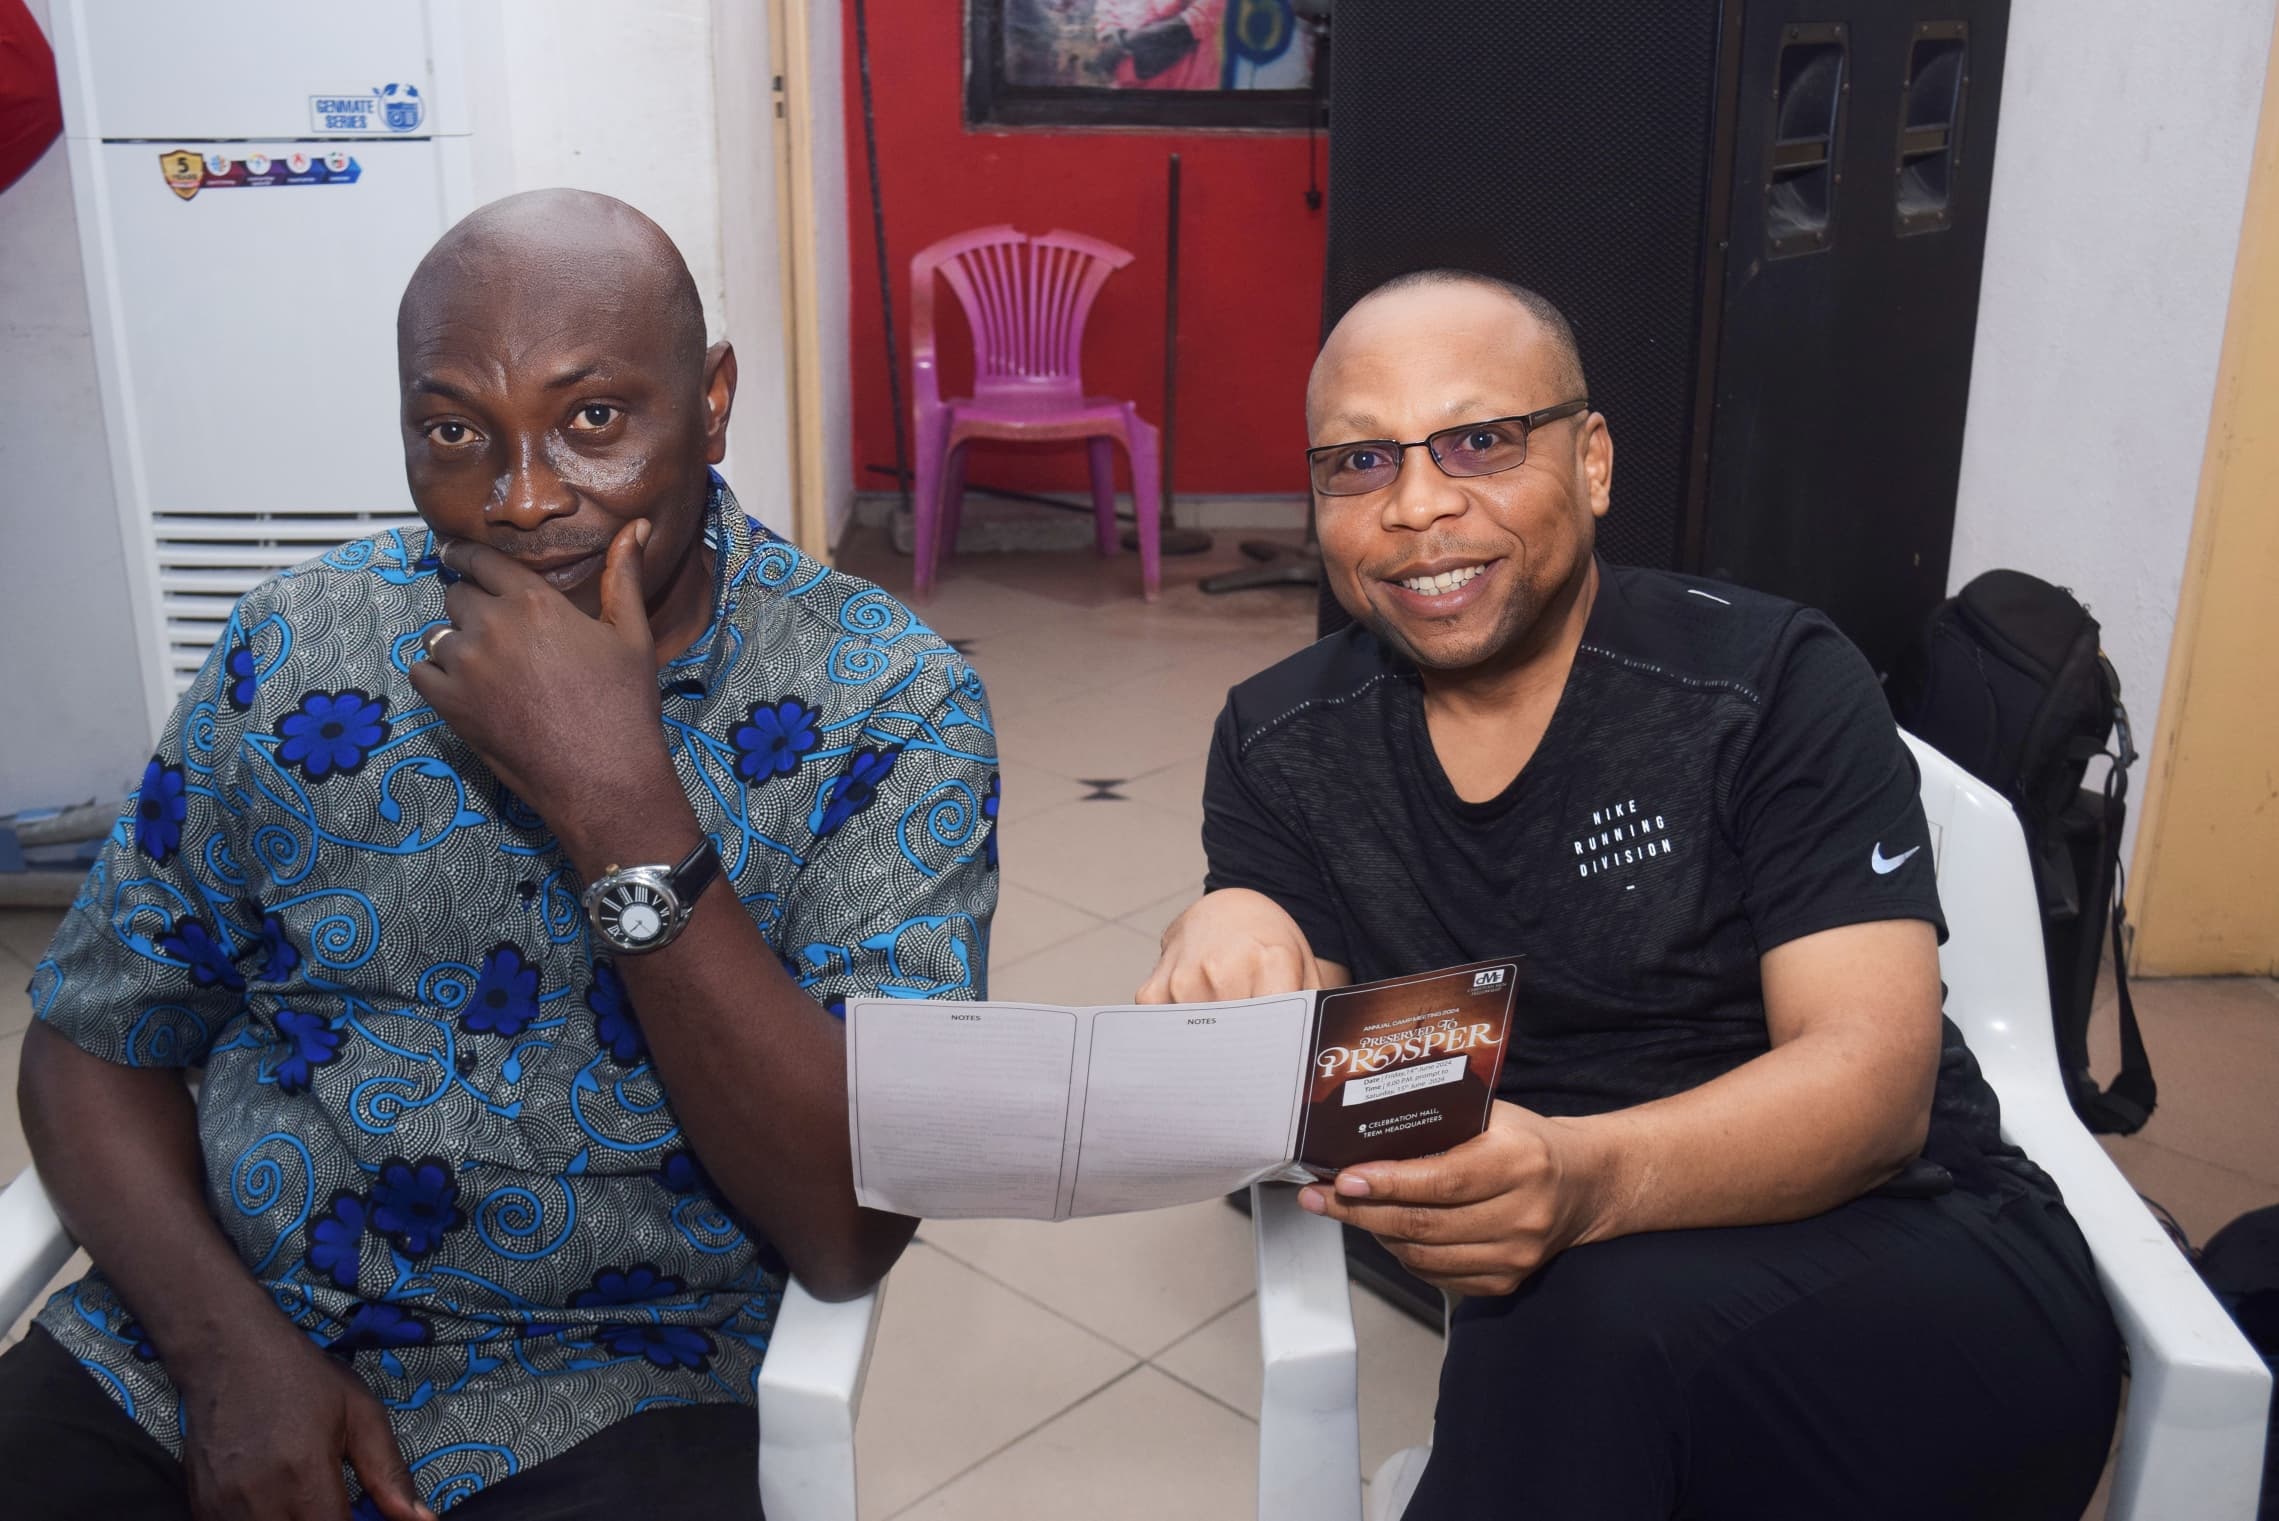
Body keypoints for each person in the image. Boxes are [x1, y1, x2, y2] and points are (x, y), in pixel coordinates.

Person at [2, 189, 997, 1520]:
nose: (522, 499)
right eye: (455, 431)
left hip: (616, 1383)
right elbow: (91, 1040)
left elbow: (844, 1225)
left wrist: (615, 797)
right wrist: (224, 1354)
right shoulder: (299, 645)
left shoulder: (887, 704)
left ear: (710, 404)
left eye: (594, 420)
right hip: (217, 1338)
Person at [1139, 270, 2121, 1519]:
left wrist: (1582, 1180)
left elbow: (1874, 1088)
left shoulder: (1767, 682)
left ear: (1592, 462)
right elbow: (1316, 1083)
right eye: (1359, 462)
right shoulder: (1280, 736)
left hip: (1911, 1250)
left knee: (1555, 1323)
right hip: (1583, 1309)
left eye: (1479, 441)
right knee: (1556, 1328)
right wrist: (1233, 931)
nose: (1417, 504)